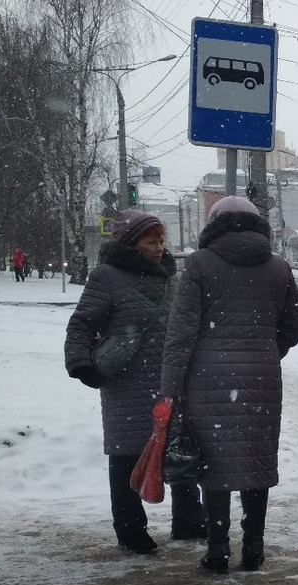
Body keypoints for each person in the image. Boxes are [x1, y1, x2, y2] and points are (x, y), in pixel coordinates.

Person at [161, 196, 298, 574]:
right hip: (262, 377)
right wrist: (265, 352)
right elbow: (293, 328)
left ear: (213, 225)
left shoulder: (199, 264)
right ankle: (254, 547)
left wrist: (170, 387)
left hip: (207, 379)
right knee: (256, 460)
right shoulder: (278, 267)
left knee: (215, 464)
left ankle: (217, 549)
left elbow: (180, 333)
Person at [64, 210, 207, 555]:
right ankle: (130, 529)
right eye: (151, 241)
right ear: (132, 242)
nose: (159, 248)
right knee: (128, 453)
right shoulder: (107, 277)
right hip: (126, 382)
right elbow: (82, 323)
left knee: (178, 448)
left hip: (171, 380)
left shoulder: (171, 277)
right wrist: (81, 363)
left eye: (161, 241)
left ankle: (188, 520)